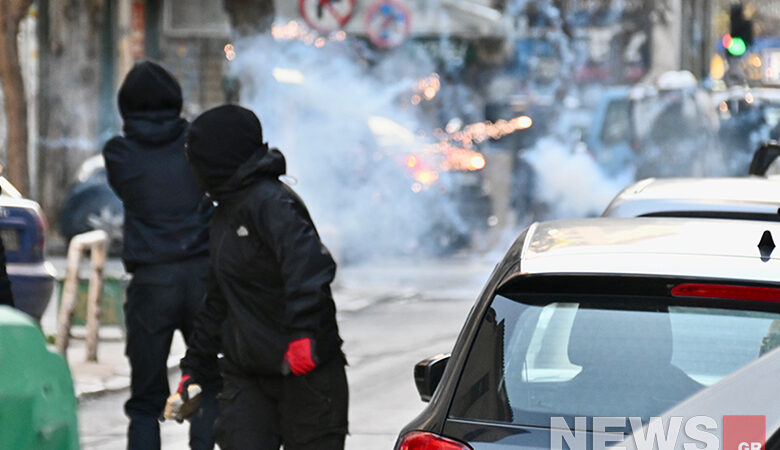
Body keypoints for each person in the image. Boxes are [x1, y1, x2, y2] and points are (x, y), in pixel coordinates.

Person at [176, 104, 348, 450]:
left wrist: (302, 335)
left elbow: (310, 269)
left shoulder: (271, 203)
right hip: (247, 374)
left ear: (219, 157)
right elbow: (218, 298)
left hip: (304, 373)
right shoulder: (224, 211)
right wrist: (194, 366)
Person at [103, 61, 218, 450]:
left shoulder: (119, 153)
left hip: (150, 281)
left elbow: (130, 189)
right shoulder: (196, 144)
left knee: (145, 399)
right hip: (202, 276)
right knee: (206, 385)